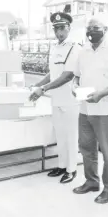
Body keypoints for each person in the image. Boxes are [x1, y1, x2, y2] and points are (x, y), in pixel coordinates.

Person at [72, 17, 108, 204]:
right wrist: (74, 86)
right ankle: (91, 181)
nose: (91, 31)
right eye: (88, 28)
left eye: (96, 27)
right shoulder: (83, 50)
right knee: (86, 148)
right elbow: (76, 76)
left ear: (106, 28)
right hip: (85, 109)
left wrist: (102, 94)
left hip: (107, 110)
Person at [29, 12, 82, 184]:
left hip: (70, 98)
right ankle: (62, 165)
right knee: (60, 134)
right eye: (56, 28)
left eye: (62, 28)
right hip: (56, 98)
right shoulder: (55, 47)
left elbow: (67, 75)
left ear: (69, 28)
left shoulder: (75, 47)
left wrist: (42, 88)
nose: (59, 32)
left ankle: (72, 169)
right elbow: (53, 73)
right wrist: (37, 85)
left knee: (71, 135)